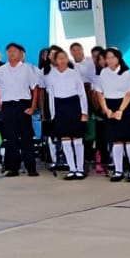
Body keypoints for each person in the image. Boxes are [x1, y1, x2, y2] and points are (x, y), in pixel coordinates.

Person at [0, 43, 41, 177]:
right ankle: (12, 167)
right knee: (10, 137)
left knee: (26, 137)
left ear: (21, 54)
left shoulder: (28, 68)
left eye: (14, 51)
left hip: (23, 104)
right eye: (9, 51)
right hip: (7, 106)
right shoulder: (0, 70)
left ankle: (31, 167)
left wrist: (33, 107)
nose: (11, 53)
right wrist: (0, 103)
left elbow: (35, 88)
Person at [43, 48, 90, 180]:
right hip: (60, 107)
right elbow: (51, 95)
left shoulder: (74, 73)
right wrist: (53, 114)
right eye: (59, 58)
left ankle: (80, 169)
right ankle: (72, 168)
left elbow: (82, 93)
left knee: (77, 138)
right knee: (65, 139)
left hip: (74, 105)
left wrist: (84, 112)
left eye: (64, 57)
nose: (62, 60)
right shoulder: (51, 75)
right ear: (55, 61)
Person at [96, 48, 130, 182]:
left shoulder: (128, 73)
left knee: (129, 138)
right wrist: (106, 109)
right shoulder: (103, 72)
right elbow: (99, 92)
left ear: (118, 58)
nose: (109, 60)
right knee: (116, 139)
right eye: (107, 58)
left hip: (125, 105)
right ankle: (118, 170)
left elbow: (129, 93)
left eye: (112, 57)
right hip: (109, 105)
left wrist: (120, 110)